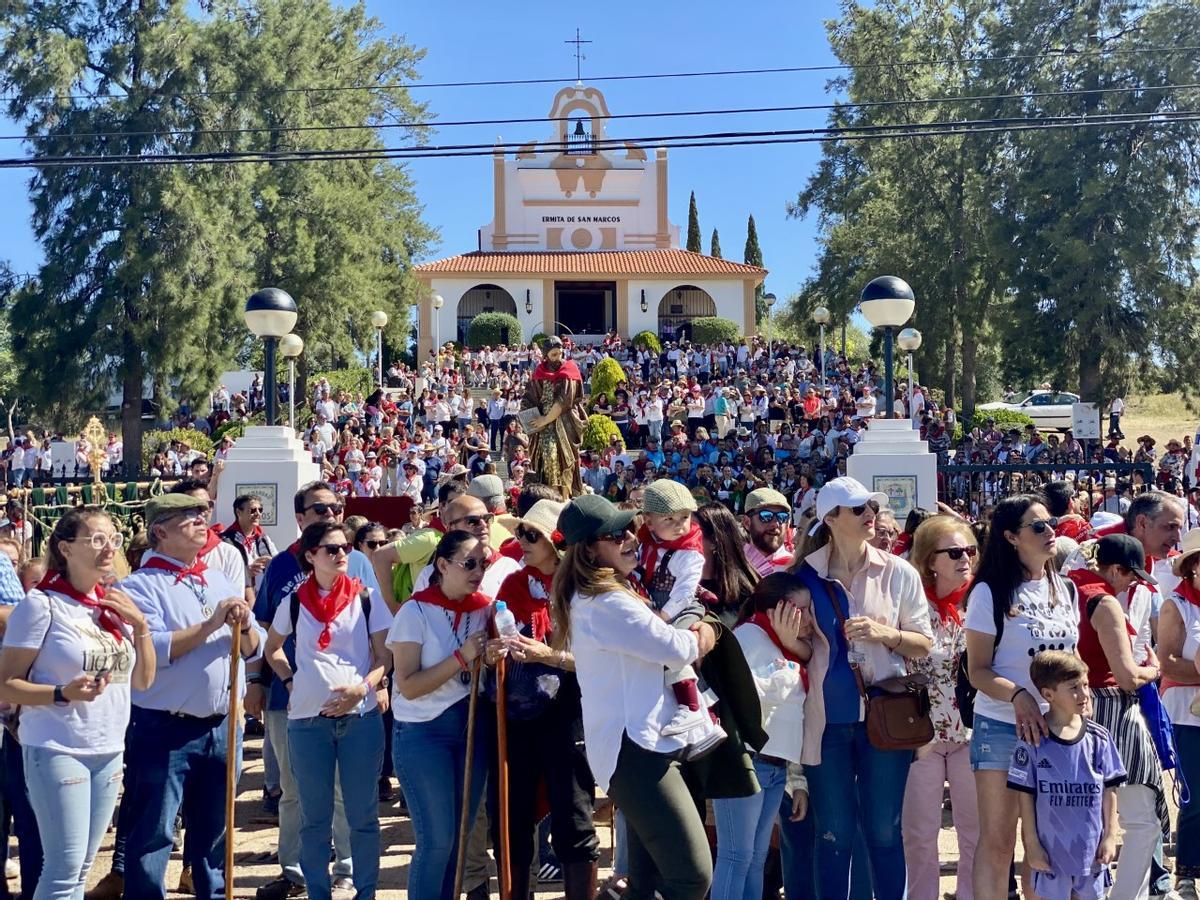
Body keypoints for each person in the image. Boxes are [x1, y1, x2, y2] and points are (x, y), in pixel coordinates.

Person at [551, 494, 718, 900]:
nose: (630, 538)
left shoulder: (603, 595)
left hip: (640, 744)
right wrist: (703, 627)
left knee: (647, 883)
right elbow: (679, 649)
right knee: (691, 876)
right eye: (615, 534)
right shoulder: (607, 601)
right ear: (590, 550)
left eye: (629, 529)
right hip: (635, 749)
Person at [115, 493, 264, 900]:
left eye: (202, 515)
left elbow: (255, 647)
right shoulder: (138, 586)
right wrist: (211, 623)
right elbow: (154, 649)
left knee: (214, 833)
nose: (202, 521)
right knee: (154, 833)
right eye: (189, 516)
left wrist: (247, 625)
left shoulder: (215, 578)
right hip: (165, 728)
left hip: (221, 724)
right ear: (160, 531)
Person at [0, 509, 155, 900]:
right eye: (97, 539)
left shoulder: (113, 606)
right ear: (66, 548)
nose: (108, 548)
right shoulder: (41, 606)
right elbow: (4, 684)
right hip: (57, 747)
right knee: (63, 870)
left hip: (107, 748)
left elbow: (143, 681)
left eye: (113, 539)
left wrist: (141, 627)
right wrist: (60, 693)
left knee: (82, 869)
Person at [791, 476, 932, 899]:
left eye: (871, 506)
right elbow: (793, 653)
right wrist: (791, 638)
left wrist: (883, 634)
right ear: (830, 518)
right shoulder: (802, 576)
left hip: (886, 722)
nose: (870, 514)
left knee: (884, 832)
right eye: (858, 509)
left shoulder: (900, 571)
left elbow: (924, 644)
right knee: (833, 836)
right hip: (825, 723)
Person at [263, 522, 391, 900]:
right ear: (311, 556)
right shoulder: (295, 601)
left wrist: (362, 689)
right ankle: (318, 892)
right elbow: (272, 649)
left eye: (345, 548)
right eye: (331, 548)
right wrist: (290, 682)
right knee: (313, 820)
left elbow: (385, 657)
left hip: (361, 718)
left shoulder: (367, 598)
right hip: (307, 722)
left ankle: (364, 892)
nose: (341, 554)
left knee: (362, 817)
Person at [964, 494, 1079, 900]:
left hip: (1055, 729)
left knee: (1045, 841)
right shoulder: (988, 593)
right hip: (1001, 727)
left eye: (1052, 523)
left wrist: (1081, 700)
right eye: (1038, 526)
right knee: (998, 841)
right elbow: (976, 670)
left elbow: (1071, 657)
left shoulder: (1065, 588)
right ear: (1011, 537)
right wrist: (1017, 696)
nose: (1051, 532)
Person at [488, 499, 599, 900]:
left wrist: (546, 655)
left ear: (556, 542)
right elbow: (493, 639)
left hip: (568, 709)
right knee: (513, 814)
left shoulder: (585, 589)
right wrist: (492, 651)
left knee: (573, 812)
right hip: (516, 712)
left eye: (531, 534)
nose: (521, 540)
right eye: (519, 532)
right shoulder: (512, 585)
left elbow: (598, 660)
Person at [388, 530, 492, 900]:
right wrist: (461, 658)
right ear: (443, 565)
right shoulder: (414, 611)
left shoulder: (484, 608)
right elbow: (410, 685)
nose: (478, 570)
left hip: (470, 731)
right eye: (469, 563)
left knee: (460, 839)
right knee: (437, 841)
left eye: (483, 563)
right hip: (422, 734)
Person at [1067, 533, 1166, 900]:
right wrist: (1153, 670)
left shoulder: (1067, 586)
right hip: (1110, 708)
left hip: (1069, 710)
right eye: (1130, 575)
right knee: (1142, 820)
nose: (1133, 584)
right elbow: (1125, 676)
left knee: (1083, 817)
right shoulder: (1102, 600)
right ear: (1112, 569)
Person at [712, 572, 811, 900]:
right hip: (746, 763)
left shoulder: (788, 646)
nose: (809, 618)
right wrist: (789, 672)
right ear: (777, 611)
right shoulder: (749, 637)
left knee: (755, 859)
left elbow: (793, 718)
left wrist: (797, 781)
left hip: (774, 767)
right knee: (736, 858)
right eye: (802, 610)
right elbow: (742, 699)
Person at [902, 514, 980, 900]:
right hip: (923, 737)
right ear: (931, 559)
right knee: (919, 837)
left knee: (976, 835)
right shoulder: (911, 605)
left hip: (973, 735)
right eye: (954, 552)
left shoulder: (982, 603)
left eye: (969, 550)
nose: (965, 558)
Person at [1007, 651, 1124, 900]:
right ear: (1048, 694)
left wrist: (1111, 836)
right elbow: (1025, 798)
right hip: (1051, 856)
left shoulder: (1099, 739)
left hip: (1091, 855)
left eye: (1085, 685)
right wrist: (1032, 845)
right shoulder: (1032, 741)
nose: (1084, 695)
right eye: (1073, 688)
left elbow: (1109, 791)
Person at [638, 480, 725, 753]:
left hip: (682, 609)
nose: (680, 525)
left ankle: (690, 706)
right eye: (670, 518)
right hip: (655, 606)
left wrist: (662, 616)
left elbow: (686, 592)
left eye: (685, 517)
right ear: (649, 521)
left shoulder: (690, 552)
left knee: (673, 650)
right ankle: (703, 719)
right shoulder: (645, 543)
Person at [1156, 527, 1200, 897]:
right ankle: (1186, 871)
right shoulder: (1176, 604)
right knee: (1195, 796)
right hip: (1187, 713)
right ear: (1193, 567)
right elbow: (1167, 663)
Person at [523, 336, 587, 499]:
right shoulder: (539, 372)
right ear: (545, 355)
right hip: (543, 425)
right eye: (553, 355)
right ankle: (551, 495)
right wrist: (526, 413)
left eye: (559, 353)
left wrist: (545, 419)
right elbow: (530, 397)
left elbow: (565, 400)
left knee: (566, 459)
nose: (557, 358)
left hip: (564, 423)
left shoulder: (569, 369)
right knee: (547, 458)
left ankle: (564, 496)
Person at [741, 488, 794, 576]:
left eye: (782, 517)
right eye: (766, 516)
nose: (775, 524)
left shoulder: (796, 568)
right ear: (747, 523)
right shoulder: (734, 565)